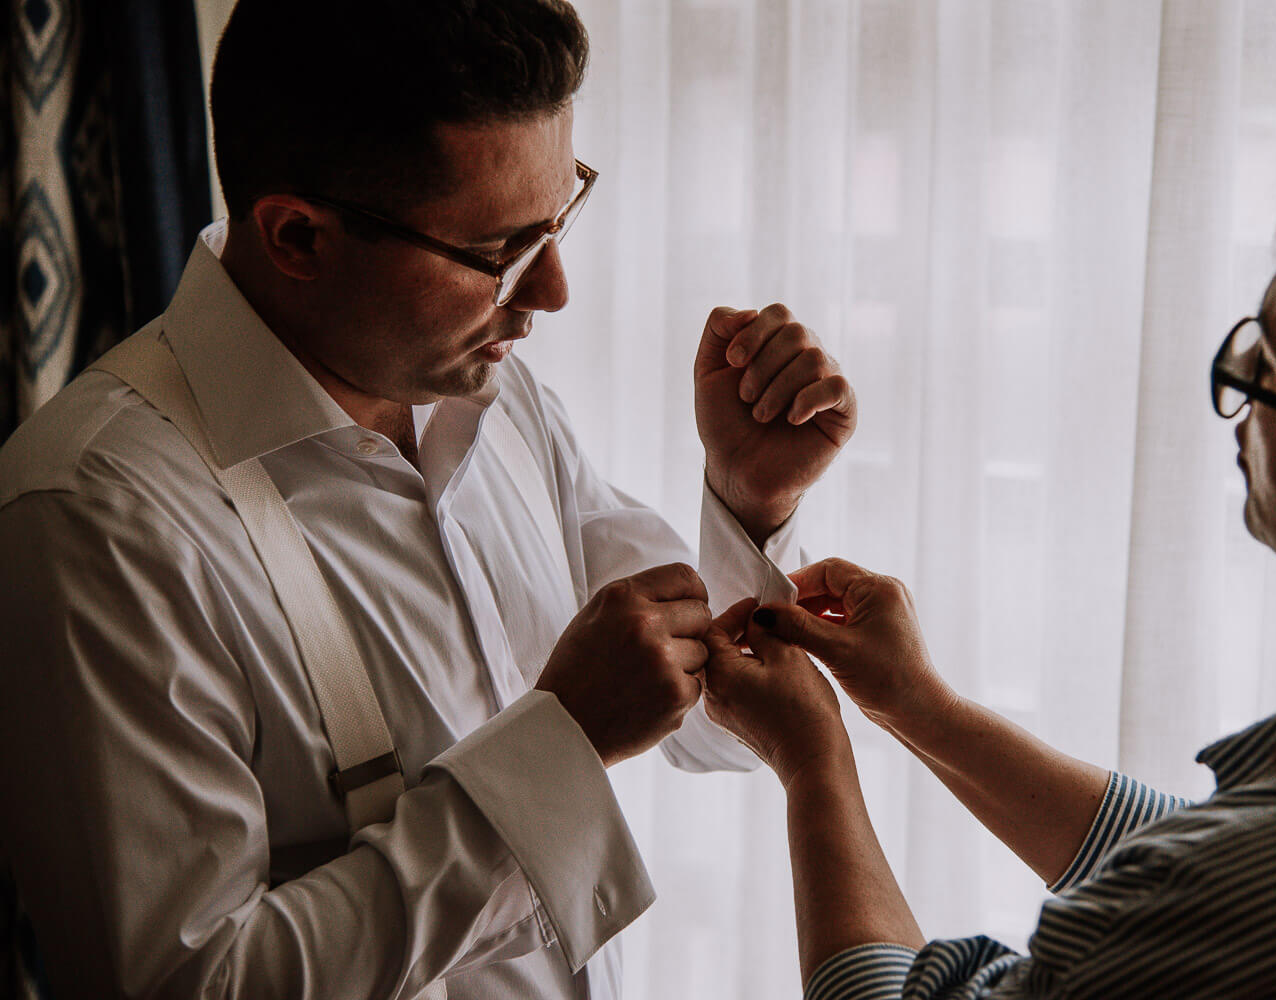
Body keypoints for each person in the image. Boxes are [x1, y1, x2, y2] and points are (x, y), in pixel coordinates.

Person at [0, 1, 856, 998]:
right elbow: (188, 984)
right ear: (297, 236)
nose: (554, 293)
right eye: (500, 252)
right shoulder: (93, 521)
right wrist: (560, 747)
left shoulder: (494, 396)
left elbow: (714, 721)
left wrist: (749, 499)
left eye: (559, 216)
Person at [702, 103, 1276, 998]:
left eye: (1267, 369)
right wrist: (921, 707)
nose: (1237, 394)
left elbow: (1220, 890)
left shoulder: (1239, 897)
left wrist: (815, 762)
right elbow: (1218, 853)